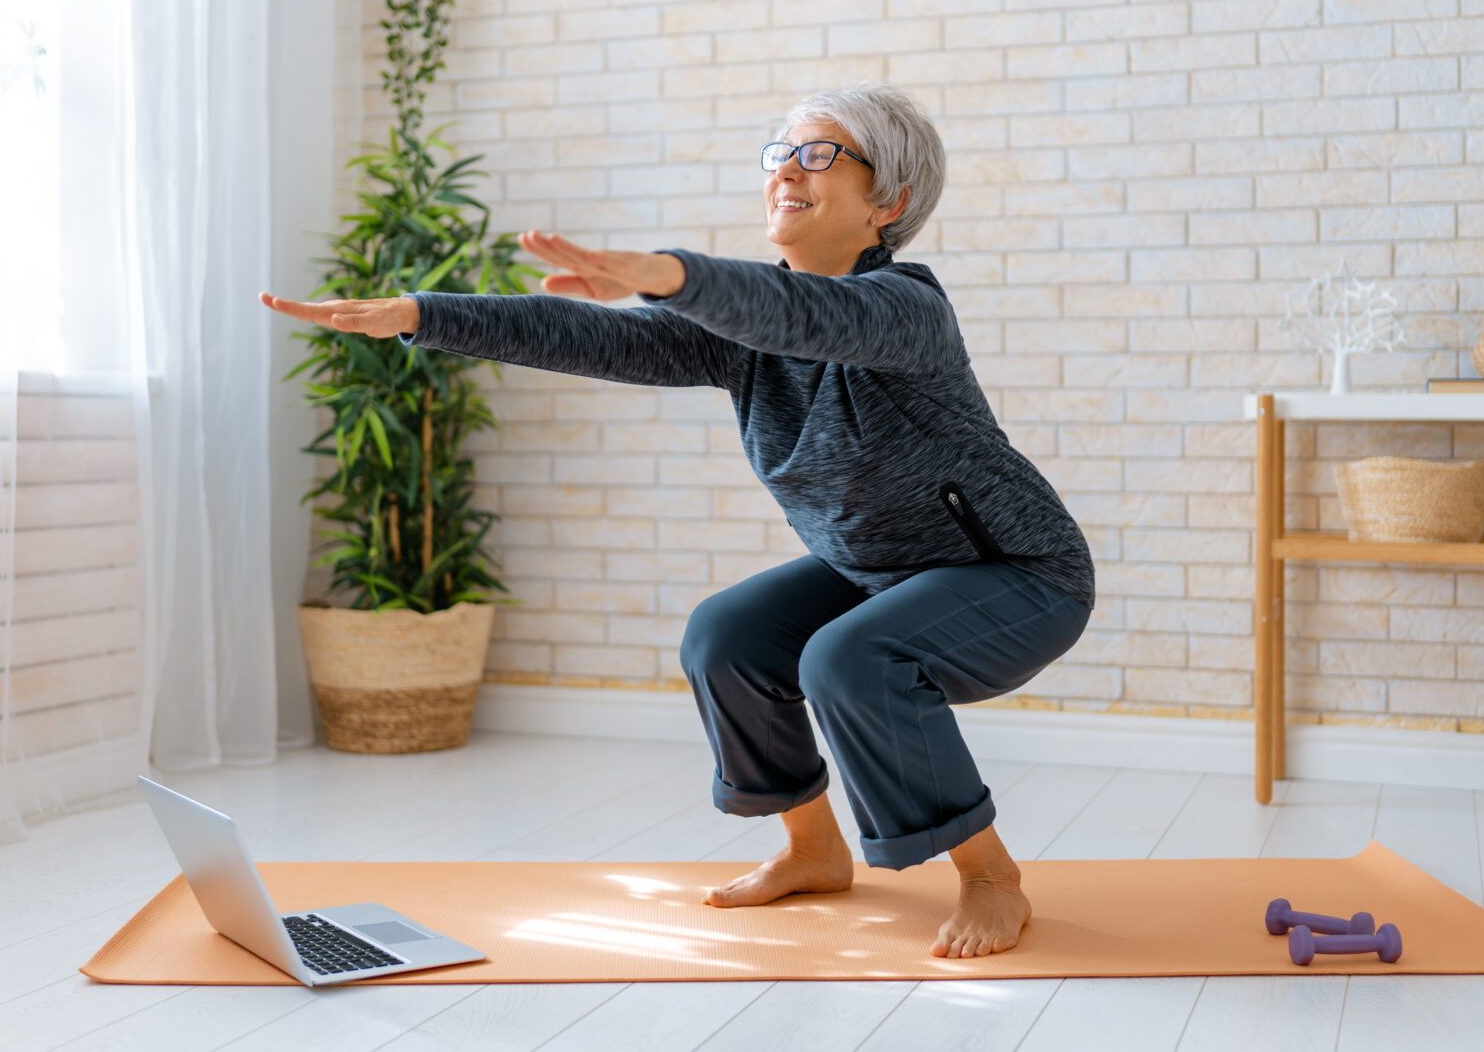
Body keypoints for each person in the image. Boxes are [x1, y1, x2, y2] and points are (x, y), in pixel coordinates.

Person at [261, 85, 1094, 958]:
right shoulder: (742, 333)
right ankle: (812, 850)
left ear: (887, 203)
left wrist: (669, 274)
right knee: (724, 636)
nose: (787, 170)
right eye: (779, 153)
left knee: (848, 655)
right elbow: (596, 336)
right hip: (880, 569)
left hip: (1017, 573)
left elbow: (804, 314)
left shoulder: (907, 308)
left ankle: (991, 876)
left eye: (819, 154)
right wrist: (423, 315)